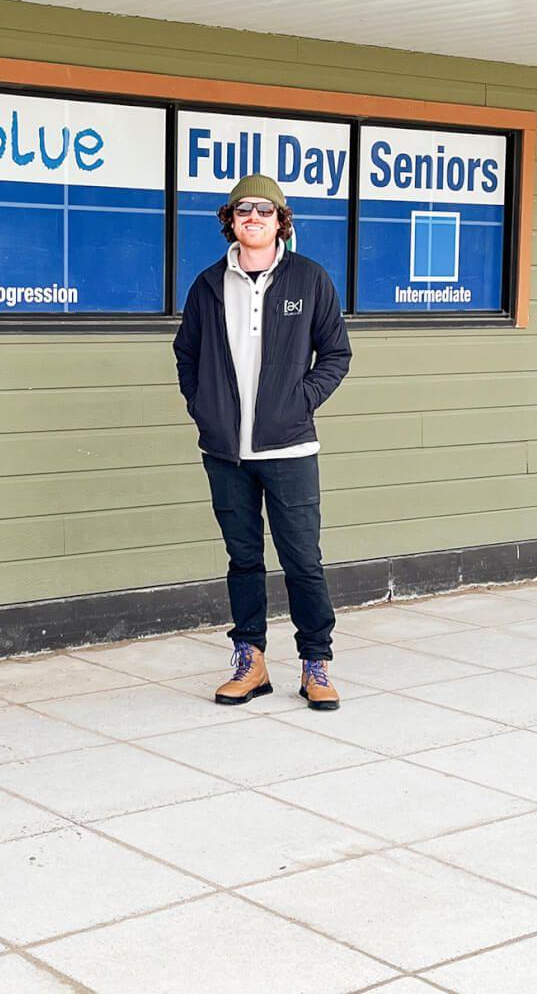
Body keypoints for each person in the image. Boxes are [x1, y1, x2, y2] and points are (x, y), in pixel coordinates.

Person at [173, 174, 352, 710]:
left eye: (265, 211)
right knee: (243, 558)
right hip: (226, 453)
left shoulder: (309, 279)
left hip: (290, 449)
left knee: (303, 560)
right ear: (231, 220)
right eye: (243, 210)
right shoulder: (208, 285)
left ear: (281, 220)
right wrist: (205, 408)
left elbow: (336, 355)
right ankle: (250, 662)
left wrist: (300, 401)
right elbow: (186, 355)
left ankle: (315, 663)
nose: (254, 218)